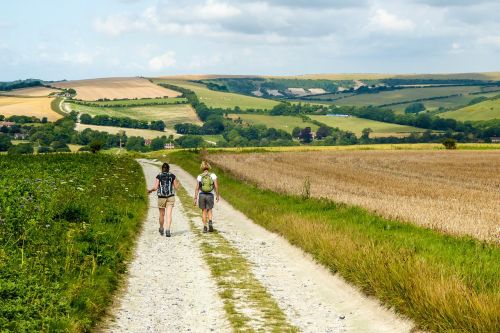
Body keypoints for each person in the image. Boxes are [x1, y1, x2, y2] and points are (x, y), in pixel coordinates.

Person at [148, 162, 180, 237]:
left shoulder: (158, 176)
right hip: (170, 197)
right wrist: (178, 184)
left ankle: (161, 228)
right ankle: (168, 230)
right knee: (169, 214)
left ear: (162, 169)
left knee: (162, 214)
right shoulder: (172, 176)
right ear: (168, 169)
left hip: (161, 197)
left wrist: (150, 190)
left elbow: (155, 188)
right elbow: (176, 188)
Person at [194, 161, 219, 233]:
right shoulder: (213, 175)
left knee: (204, 211)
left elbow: (197, 188)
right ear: (209, 167)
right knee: (210, 210)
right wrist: (217, 195)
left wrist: (195, 198)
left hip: (202, 195)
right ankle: (210, 222)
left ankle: (205, 227)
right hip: (210, 195)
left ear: (202, 168)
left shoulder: (200, 176)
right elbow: (216, 186)